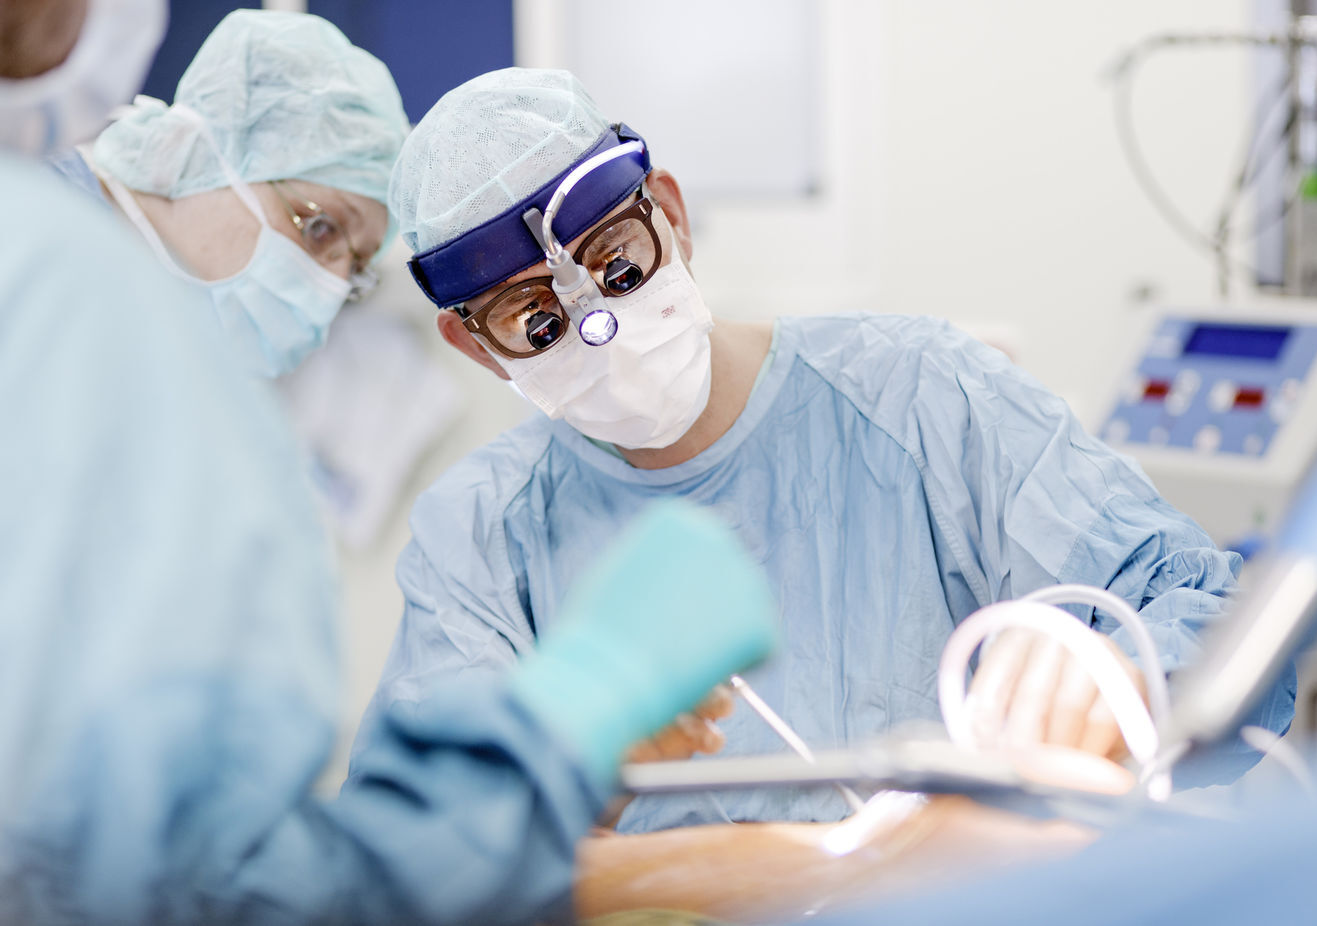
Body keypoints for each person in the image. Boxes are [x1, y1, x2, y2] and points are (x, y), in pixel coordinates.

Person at [358, 66, 1298, 835]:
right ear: (475, 347)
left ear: (671, 216)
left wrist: (1120, 679)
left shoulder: (922, 395)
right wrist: (586, 769)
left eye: (617, 265)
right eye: (536, 318)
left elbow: (1220, 624)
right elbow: (429, 851)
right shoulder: (480, 537)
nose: (599, 325)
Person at [0, 3, 776, 922]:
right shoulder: (53, 307)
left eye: (355, 266)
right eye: (316, 228)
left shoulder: (118, 352)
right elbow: (205, 886)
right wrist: (564, 730)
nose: (325, 292)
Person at [52, 8, 409, 378]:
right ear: (206, 158)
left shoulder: (172, 363)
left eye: (356, 270)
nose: (333, 288)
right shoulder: (36, 231)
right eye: (321, 229)